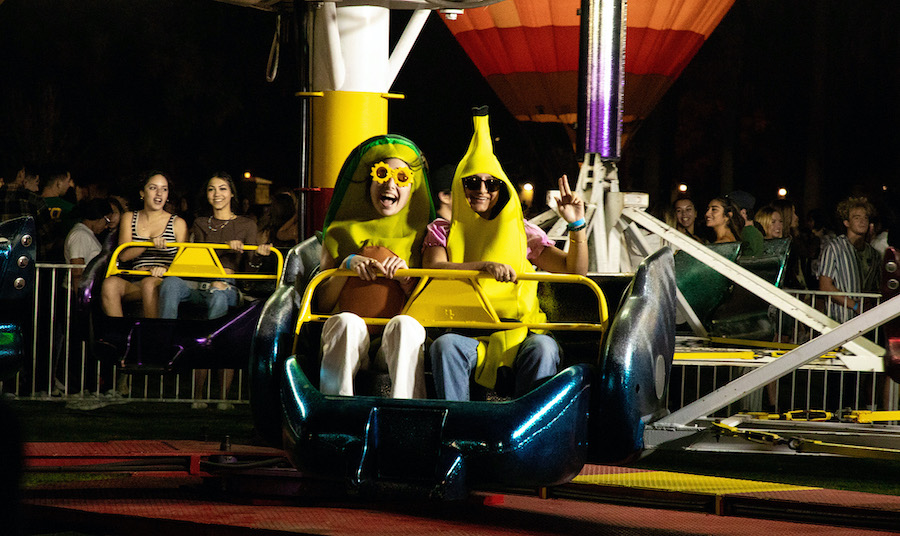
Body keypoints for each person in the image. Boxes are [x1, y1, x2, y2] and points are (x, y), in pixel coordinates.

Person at [425, 107, 588, 402]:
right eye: (472, 182)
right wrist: (484, 266)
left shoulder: (521, 231)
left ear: (504, 189)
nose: (482, 190)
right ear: (459, 187)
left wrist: (576, 224)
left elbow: (574, 270)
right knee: (445, 346)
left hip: (520, 332)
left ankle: (526, 431)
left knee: (544, 349)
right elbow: (436, 268)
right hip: (468, 333)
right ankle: (457, 428)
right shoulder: (443, 229)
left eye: (492, 183)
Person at [315, 134, 434, 399]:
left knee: (406, 326)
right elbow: (321, 304)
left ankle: (406, 416)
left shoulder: (425, 235)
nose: (390, 184)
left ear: (412, 187)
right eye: (382, 174)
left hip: (389, 343)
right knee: (346, 323)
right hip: (351, 336)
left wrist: (406, 279)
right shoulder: (338, 232)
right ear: (369, 183)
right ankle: (337, 415)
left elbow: (429, 307)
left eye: (401, 177)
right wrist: (346, 266)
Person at [158, 173, 272, 409]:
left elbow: (250, 276)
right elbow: (193, 260)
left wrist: (251, 255)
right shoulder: (200, 222)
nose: (217, 194)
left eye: (222, 189)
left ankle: (222, 397)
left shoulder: (246, 224)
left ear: (231, 194)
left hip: (228, 287)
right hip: (200, 282)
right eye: (212, 189)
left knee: (217, 301)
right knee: (170, 283)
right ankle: (165, 345)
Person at [101, 171, 188, 318]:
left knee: (149, 283)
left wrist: (165, 269)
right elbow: (124, 255)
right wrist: (149, 244)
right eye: (153, 188)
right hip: (136, 278)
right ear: (142, 193)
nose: (159, 193)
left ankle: (151, 335)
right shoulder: (129, 218)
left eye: (164, 189)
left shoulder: (177, 223)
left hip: (164, 280)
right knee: (110, 284)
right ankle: (120, 335)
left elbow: (184, 261)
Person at [817, 196, 881, 323]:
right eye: (856, 217)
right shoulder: (834, 248)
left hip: (866, 322)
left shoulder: (874, 254)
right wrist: (855, 305)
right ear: (846, 222)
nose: (862, 221)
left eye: (865, 217)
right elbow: (825, 285)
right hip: (840, 320)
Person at [64, 198, 113, 284]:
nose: (106, 227)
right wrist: (79, 296)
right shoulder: (80, 235)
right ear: (99, 217)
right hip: (79, 290)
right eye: (107, 221)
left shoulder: (87, 233)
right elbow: (77, 271)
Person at [728, 190, 764, 256]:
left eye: (731, 210)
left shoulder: (748, 232)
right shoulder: (750, 231)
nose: (729, 214)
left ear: (743, 212)